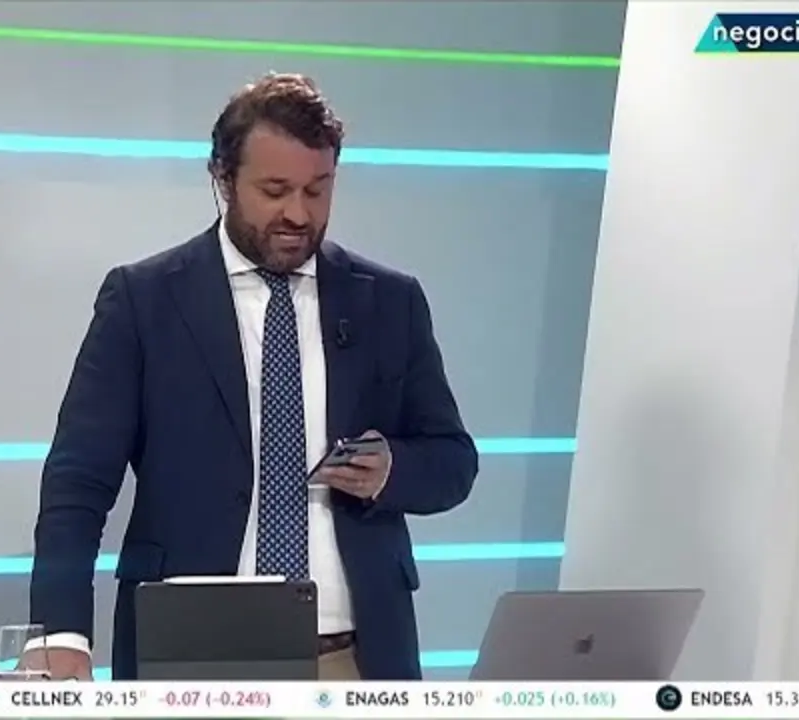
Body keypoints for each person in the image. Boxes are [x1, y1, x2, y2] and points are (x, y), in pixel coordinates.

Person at [24, 72, 478, 681]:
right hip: (191, 652)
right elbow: (78, 481)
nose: (298, 213)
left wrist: (393, 469)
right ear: (222, 178)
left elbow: (453, 462)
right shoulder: (145, 300)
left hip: (352, 659)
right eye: (275, 190)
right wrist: (60, 633)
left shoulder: (389, 303)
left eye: (317, 190)